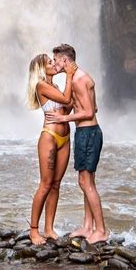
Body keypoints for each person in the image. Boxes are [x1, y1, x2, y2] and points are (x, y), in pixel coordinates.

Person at [46, 43, 108, 244]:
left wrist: (64, 119)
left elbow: (89, 112)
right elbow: (94, 107)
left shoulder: (79, 80)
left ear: (65, 60)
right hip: (87, 131)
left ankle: (101, 231)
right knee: (87, 181)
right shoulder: (82, 77)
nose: (54, 64)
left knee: (84, 182)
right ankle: (88, 226)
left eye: (56, 60)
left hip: (88, 133)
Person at [26, 53, 77, 245]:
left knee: (56, 184)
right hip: (49, 137)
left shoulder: (54, 86)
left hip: (65, 137)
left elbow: (67, 107)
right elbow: (65, 99)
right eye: (49, 62)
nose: (54, 64)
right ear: (41, 69)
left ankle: (49, 228)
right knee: (45, 184)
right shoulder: (41, 85)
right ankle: (33, 230)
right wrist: (70, 76)